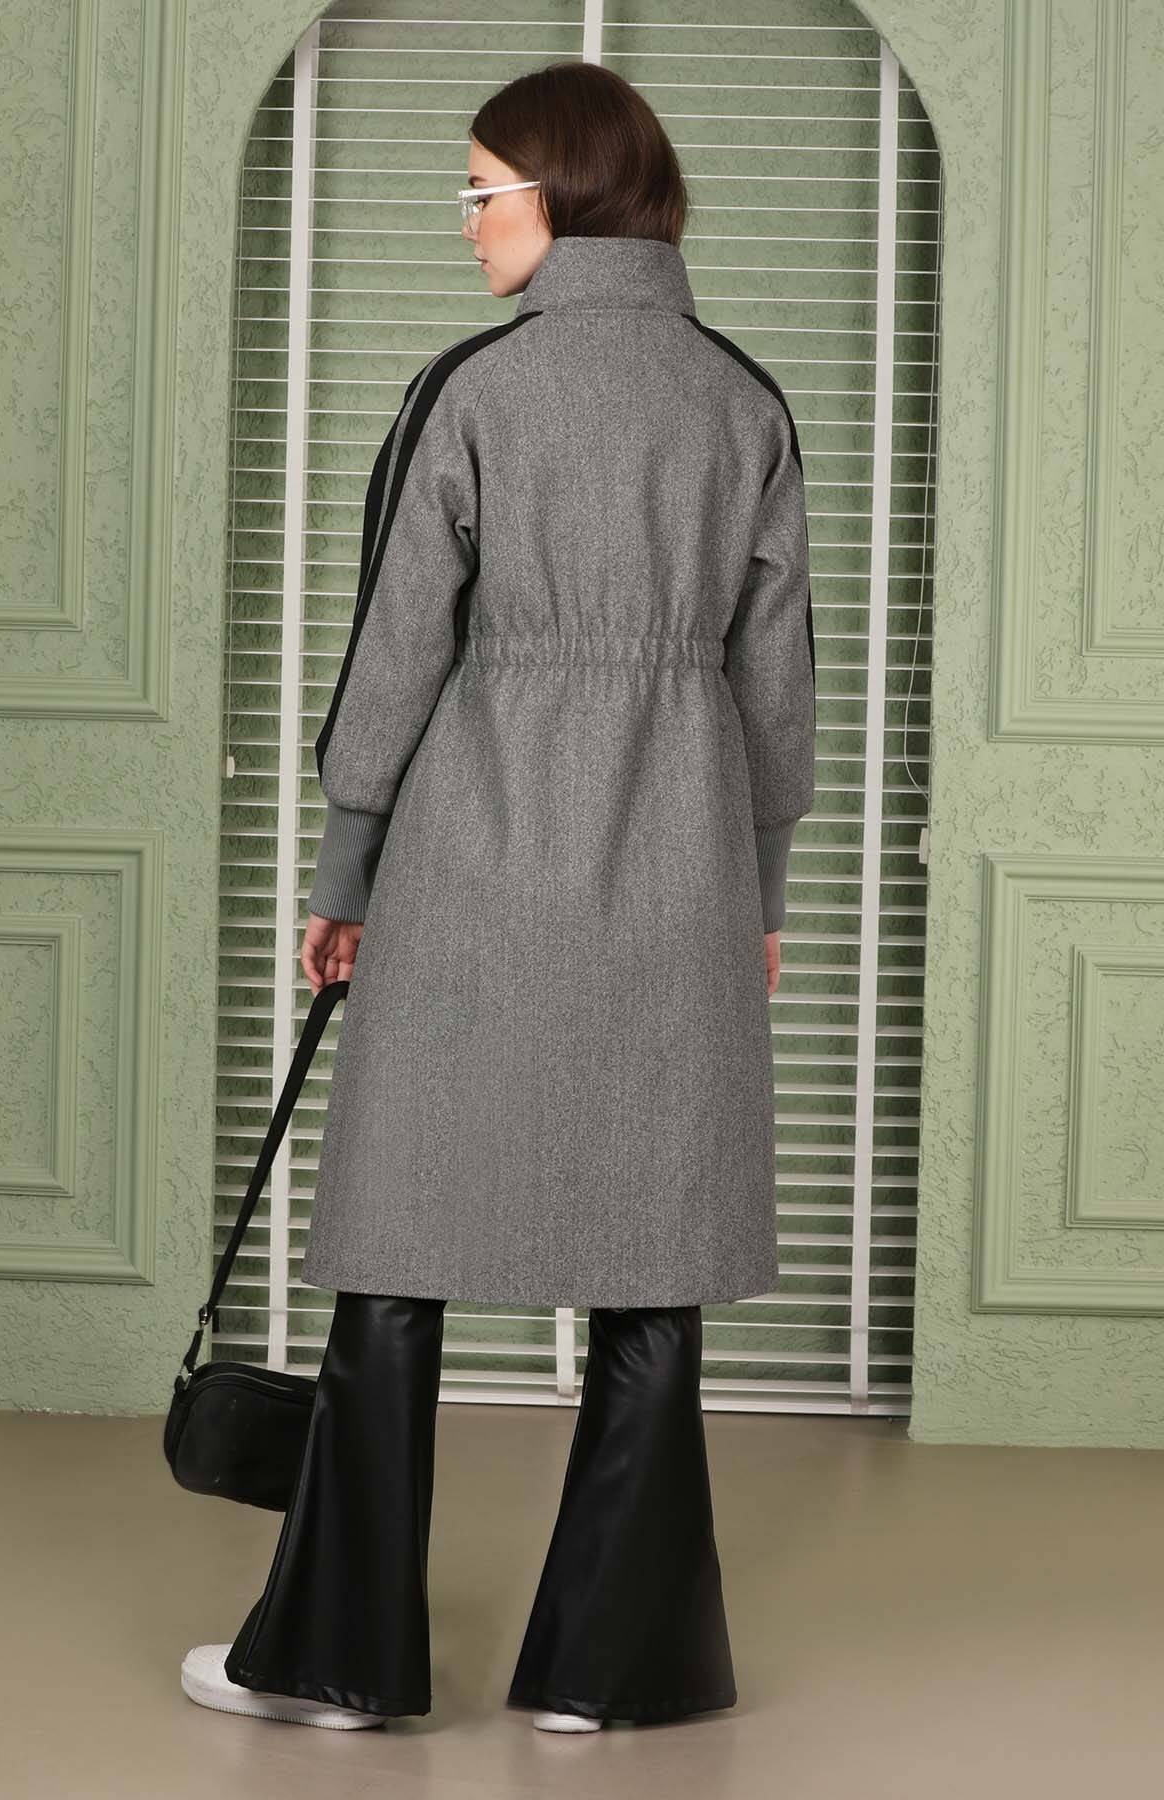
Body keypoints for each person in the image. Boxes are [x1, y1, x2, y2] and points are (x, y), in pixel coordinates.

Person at [181, 58, 815, 1734]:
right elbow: (780, 695)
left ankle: (338, 1661)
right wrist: (755, 891)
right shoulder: (744, 400)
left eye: (482, 192)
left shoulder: (472, 390)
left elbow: (395, 654)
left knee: (397, 1245)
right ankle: (611, 1672)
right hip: (680, 871)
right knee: (652, 1260)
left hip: (469, 865)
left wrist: (345, 868)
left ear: (565, 193)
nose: (465, 224)